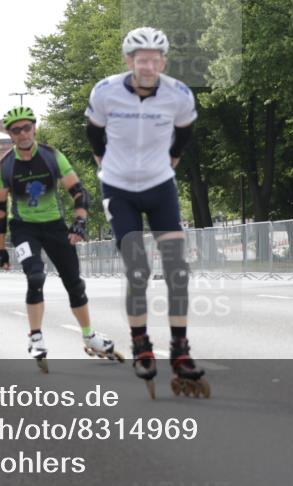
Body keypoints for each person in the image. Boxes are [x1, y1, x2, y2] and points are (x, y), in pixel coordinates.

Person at [85, 26, 208, 398]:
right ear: (129, 61)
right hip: (118, 188)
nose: (149, 66)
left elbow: (185, 132)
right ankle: (141, 344)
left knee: (177, 269)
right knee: (137, 268)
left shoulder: (178, 94)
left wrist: (173, 159)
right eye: (142, 60)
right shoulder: (105, 91)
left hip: (159, 185)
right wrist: (103, 162)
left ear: (164, 62)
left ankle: (180, 349)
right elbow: (94, 132)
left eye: (155, 59)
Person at [0, 105, 120, 373]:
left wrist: (79, 223)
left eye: (27, 128)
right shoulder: (4, 166)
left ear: (34, 128)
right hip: (24, 228)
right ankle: (36, 337)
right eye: (16, 130)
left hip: (54, 226)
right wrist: (1, 249)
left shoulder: (52, 156)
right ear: (10, 135)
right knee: (35, 276)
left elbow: (79, 191)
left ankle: (89, 336)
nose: (23, 133)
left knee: (74, 283)